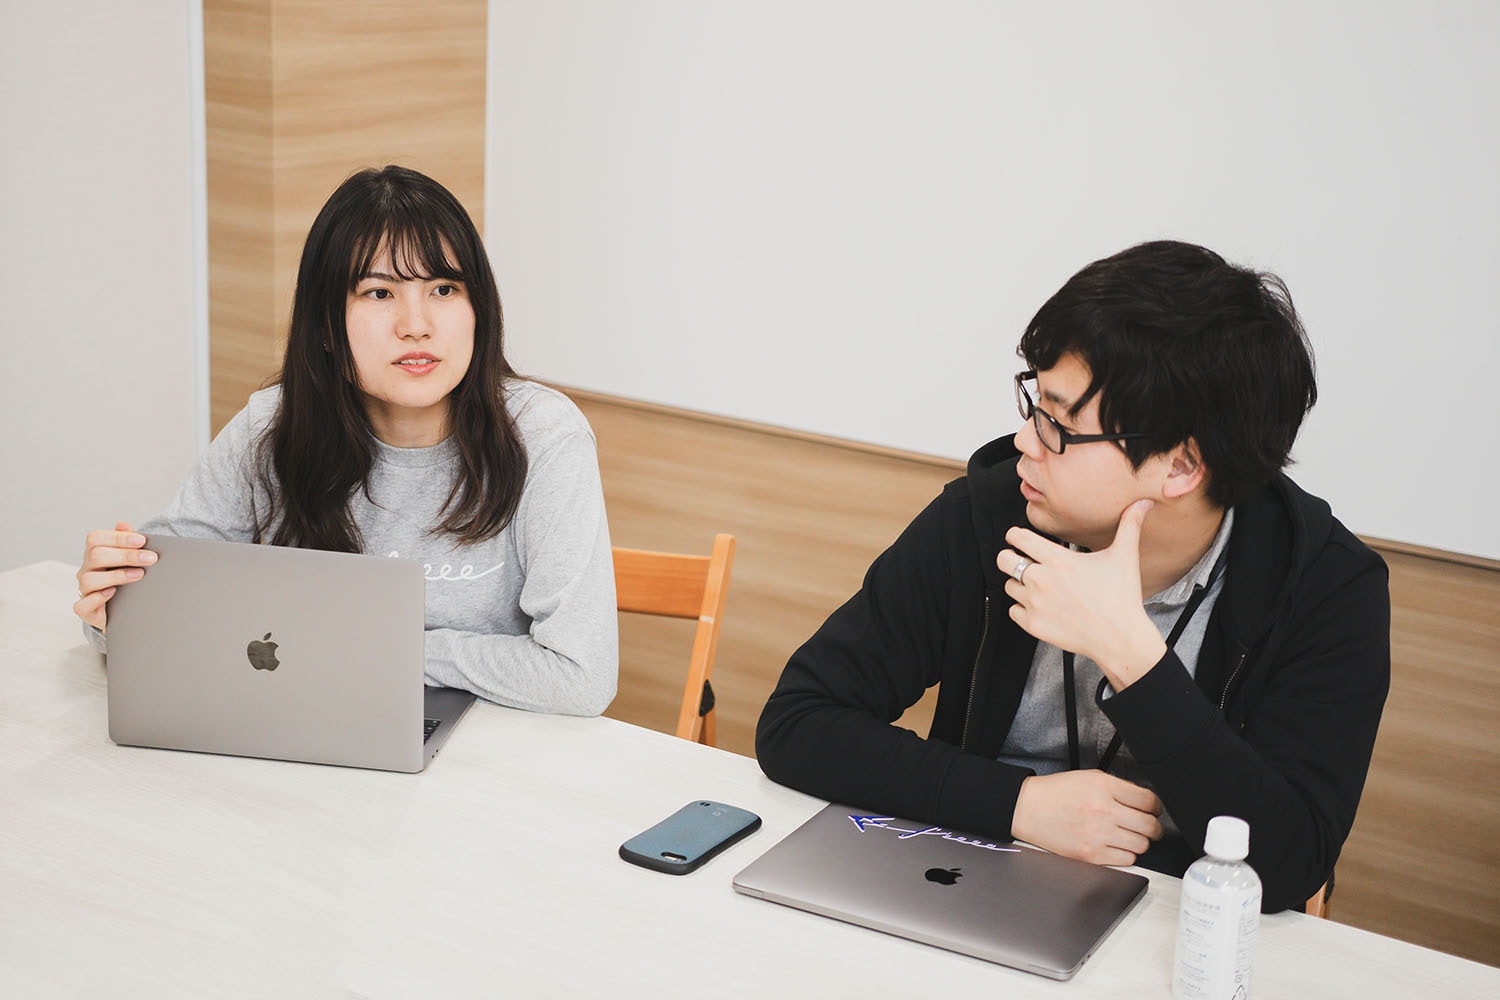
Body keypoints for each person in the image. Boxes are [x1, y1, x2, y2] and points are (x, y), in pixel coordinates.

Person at [755, 240, 1390, 913]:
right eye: (1036, 402)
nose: (1027, 440)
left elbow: (1289, 863)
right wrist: (1016, 804)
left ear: (1179, 468)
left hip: (1176, 926)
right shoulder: (990, 518)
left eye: (1059, 424)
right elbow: (799, 722)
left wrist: (1130, 652)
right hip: (964, 887)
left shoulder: (1323, 588)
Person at [74, 165, 618, 716]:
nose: (417, 324)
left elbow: (579, 676)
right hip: (307, 723)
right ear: (328, 323)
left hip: (484, 758)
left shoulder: (544, 436)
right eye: (380, 292)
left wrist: (365, 646)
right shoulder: (274, 427)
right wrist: (113, 607)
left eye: (444, 288)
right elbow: (144, 619)